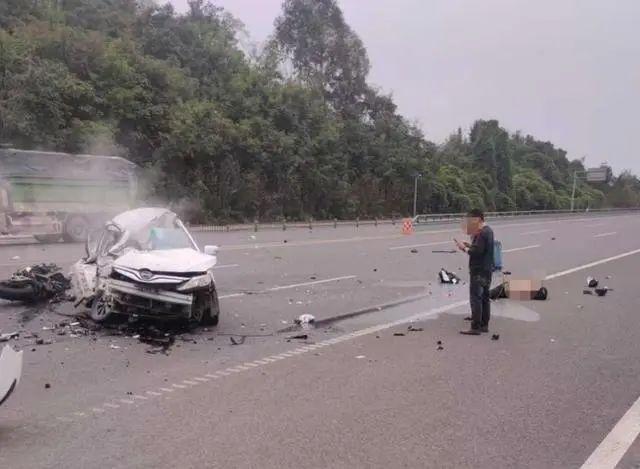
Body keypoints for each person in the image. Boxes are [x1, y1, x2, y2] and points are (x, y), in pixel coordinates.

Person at [454, 209, 494, 335]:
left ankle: (475, 327)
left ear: (479, 219)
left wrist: (464, 248)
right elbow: (480, 248)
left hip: (478, 270)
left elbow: (477, 252)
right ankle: (484, 325)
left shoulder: (482, 233)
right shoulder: (489, 231)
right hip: (487, 269)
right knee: (485, 297)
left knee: (476, 297)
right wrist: (470, 245)